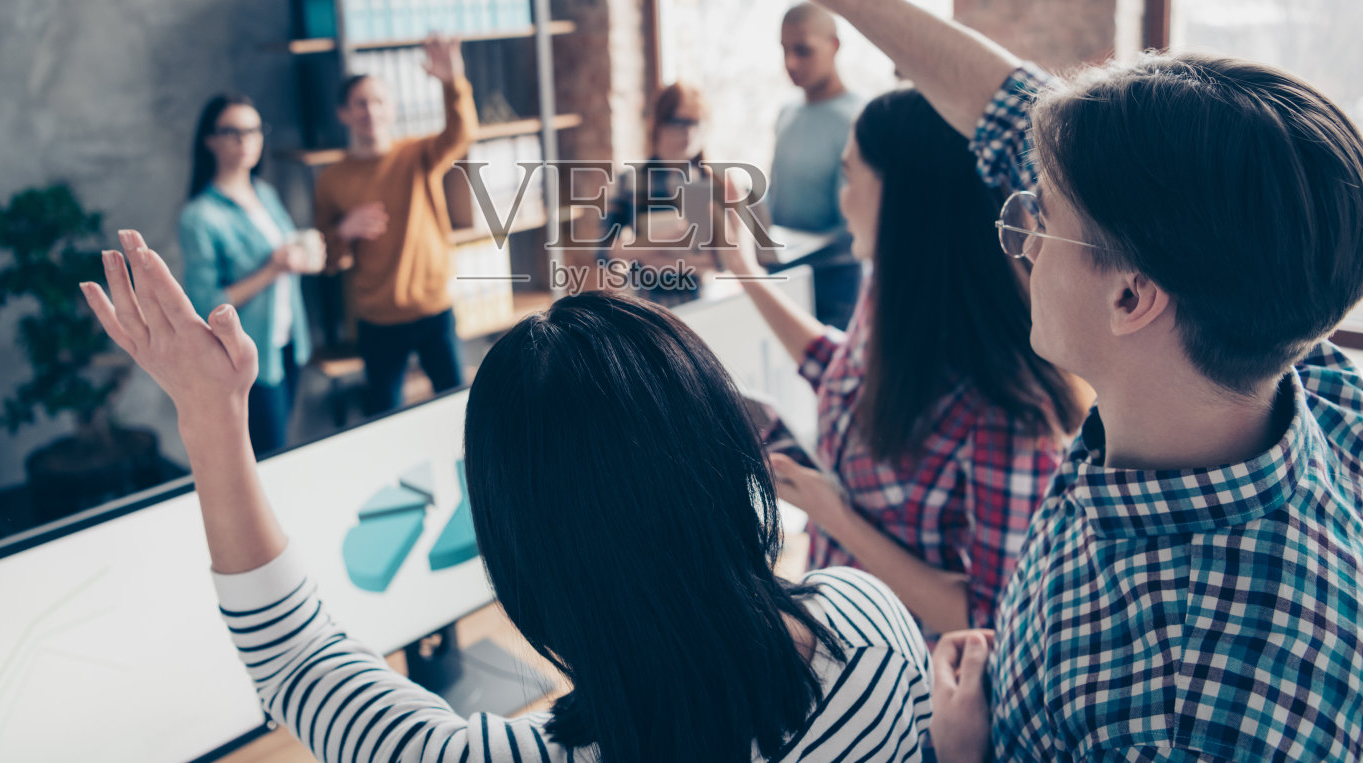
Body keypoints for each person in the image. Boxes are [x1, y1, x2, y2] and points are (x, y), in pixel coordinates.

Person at [727, 0, 1363, 761]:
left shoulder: (1198, 710)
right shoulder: (1307, 375)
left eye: (1039, 216)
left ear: (1132, 297)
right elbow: (1014, 112)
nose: (1019, 234)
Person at [82, 231, 935, 763]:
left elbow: (296, 661)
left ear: (523, 555)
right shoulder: (873, 627)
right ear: (723, 455)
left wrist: (211, 417)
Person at [725, 87, 1083, 637]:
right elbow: (836, 368)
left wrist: (833, 514)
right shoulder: (890, 297)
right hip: (836, 630)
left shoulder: (1010, 416)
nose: (841, 199)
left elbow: (989, 621)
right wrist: (742, 269)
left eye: (849, 176)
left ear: (899, 197)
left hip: (914, 684)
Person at [314, 35, 476, 416]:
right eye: (360, 103)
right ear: (343, 113)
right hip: (376, 318)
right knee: (384, 415)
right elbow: (327, 257)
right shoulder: (332, 180)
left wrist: (453, 82)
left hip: (434, 308)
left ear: (392, 109)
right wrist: (343, 232)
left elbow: (462, 133)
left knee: (457, 409)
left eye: (378, 101)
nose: (370, 110)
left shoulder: (417, 155)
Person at [178, 94, 325, 456]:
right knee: (268, 455)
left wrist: (308, 255)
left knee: (281, 446)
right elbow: (206, 304)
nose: (245, 140)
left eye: (254, 130)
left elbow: (291, 257)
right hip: (247, 354)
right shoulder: (200, 216)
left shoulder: (265, 193)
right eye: (232, 131)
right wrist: (274, 269)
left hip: (288, 341)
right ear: (210, 140)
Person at [767, 1, 867, 328]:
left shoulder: (859, 118)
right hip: (780, 278)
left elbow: (856, 224)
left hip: (834, 285)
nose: (790, 62)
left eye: (803, 50)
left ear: (834, 46)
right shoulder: (786, 113)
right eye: (784, 50)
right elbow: (780, 196)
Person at [603, 82, 723, 306]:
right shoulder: (630, 182)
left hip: (703, 303)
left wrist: (647, 255)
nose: (690, 131)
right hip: (648, 306)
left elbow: (722, 260)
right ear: (659, 124)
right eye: (680, 122)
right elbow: (604, 251)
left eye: (697, 123)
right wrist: (676, 235)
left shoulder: (712, 183)